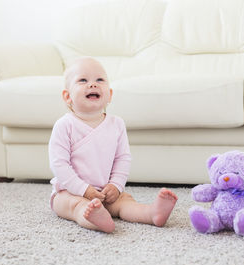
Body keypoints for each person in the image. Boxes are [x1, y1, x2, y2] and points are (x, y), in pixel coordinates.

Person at [49, 57, 178, 233]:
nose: (93, 85)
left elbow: (122, 158)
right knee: (74, 205)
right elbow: (59, 164)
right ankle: (95, 219)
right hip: (70, 192)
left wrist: (116, 185)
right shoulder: (65, 125)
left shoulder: (116, 124)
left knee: (125, 202)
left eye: (99, 80)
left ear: (109, 94)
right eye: (83, 80)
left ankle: (151, 213)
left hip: (106, 191)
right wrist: (83, 190)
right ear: (67, 96)